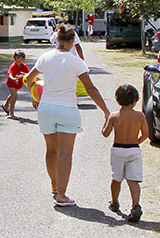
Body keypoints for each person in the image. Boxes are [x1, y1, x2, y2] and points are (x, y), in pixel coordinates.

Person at [26, 24, 109, 207]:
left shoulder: (45, 57)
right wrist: (105, 110)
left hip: (46, 108)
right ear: (72, 41)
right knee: (65, 153)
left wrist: (34, 95)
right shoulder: (76, 62)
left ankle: (55, 187)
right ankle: (62, 195)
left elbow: (29, 78)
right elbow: (90, 88)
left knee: (51, 150)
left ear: (57, 39)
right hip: (67, 109)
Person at [102, 83, 149, 222]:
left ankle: (114, 202)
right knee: (133, 180)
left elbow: (105, 133)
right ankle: (135, 206)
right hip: (133, 149)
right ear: (135, 100)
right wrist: (136, 141)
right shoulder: (140, 116)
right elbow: (146, 134)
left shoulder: (114, 116)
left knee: (116, 178)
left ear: (117, 99)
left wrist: (105, 122)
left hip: (118, 149)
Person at [1, 51, 29, 118]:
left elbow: (29, 74)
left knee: (12, 95)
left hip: (18, 83)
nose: (19, 60)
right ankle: (11, 114)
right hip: (11, 82)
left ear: (23, 59)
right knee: (14, 96)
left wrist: (34, 78)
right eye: (17, 58)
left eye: (21, 58)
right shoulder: (13, 66)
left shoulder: (24, 66)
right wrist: (13, 79)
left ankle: (5, 106)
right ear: (15, 58)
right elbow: (10, 74)